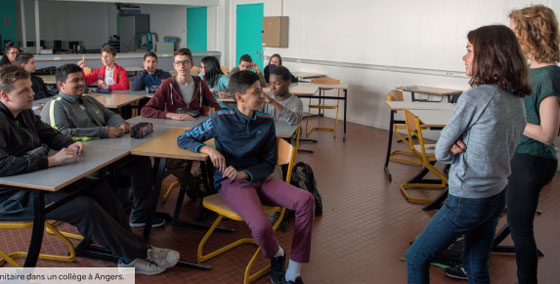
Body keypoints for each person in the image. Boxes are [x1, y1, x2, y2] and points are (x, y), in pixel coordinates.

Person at [0, 65, 179, 274]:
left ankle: (128, 254)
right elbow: (2, 165)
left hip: (36, 182)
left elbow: (50, 134)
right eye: (24, 91)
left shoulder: (25, 114)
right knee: (83, 207)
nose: (33, 94)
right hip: (10, 197)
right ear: (4, 96)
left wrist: (69, 144)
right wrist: (49, 161)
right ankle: (138, 252)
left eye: (31, 88)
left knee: (100, 187)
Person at [405, 25, 531, 283]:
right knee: (476, 266)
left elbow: (441, 151)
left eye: (469, 50)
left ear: (488, 55)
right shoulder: (516, 99)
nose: (464, 57)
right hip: (496, 195)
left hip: (467, 198)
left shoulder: (475, 97)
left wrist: (454, 149)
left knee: (416, 257)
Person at [177, 70, 315, 284]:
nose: (263, 96)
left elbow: (269, 163)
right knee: (261, 227)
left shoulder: (266, 122)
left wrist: (246, 173)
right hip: (233, 184)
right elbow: (184, 138)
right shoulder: (220, 119)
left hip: (261, 179)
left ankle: (293, 273)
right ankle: (277, 255)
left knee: (306, 200)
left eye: (262, 91)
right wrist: (208, 150)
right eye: (257, 92)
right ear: (239, 97)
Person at [40, 63, 164, 227]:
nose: (81, 83)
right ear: (61, 85)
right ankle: (111, 214)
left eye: (82, 79)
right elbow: (61, 134)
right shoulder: (57, 105)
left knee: (140, 162)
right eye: (75, 80)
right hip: (81, 160)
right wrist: (104, 132)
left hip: (106, 151)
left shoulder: (88, 99)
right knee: (110, 174)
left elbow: (109, 115)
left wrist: (120, 124)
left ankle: (138, 213)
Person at [508, 5, 560, 283]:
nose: (512, 37)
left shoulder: (549, 75)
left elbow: (548, 134)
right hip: (519, 156)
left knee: (520, 228)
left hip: (532, 160)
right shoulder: (529, 70)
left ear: (530, 33)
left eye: (515, 31)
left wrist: (510, 118)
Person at [141, 48, 221, 120]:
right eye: (178, 63)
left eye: (185, 62)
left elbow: (216, 106)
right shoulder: (167, 84)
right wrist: (170, 115)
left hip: (195, 124)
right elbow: (145, 111)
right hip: (172, 127)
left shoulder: (199, 83)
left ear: (192, 64)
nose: (182, 66)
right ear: (174, 66)